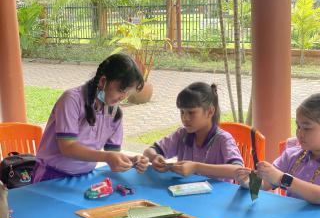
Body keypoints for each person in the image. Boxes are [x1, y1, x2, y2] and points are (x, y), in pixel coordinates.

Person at [32, 53, 149, 183]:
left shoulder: (115, 114)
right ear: (103, 81)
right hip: (51, 176)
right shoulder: (71, 100)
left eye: (128, 92)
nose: (124, 97)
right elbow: (67, 147)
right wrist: (108, 157)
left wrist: (131, 161)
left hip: (85, 177)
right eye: (121, 90)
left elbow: (113, 154)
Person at [143, 82, 244, 181]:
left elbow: (239, 171)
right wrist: (155, 157)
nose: (185, 118)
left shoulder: (223, 139)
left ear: (210, 111)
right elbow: (148, 151)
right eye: (182, 112)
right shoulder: (182, 135)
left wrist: (196, 167)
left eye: (191, 112)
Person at [235, 93, 320, 204]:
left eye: (307, 128)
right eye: (298, 126)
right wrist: (249, 182)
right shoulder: (292, 156)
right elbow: (266, 182)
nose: (300, 133)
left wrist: (282, 178)